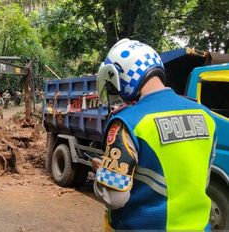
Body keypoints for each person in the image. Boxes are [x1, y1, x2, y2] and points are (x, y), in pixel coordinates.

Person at [93, 38, 217, 230]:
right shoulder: (205, 115)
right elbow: (202, 176)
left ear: (124, 75)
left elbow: (114, 197)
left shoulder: (129, 122)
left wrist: (103, 173)